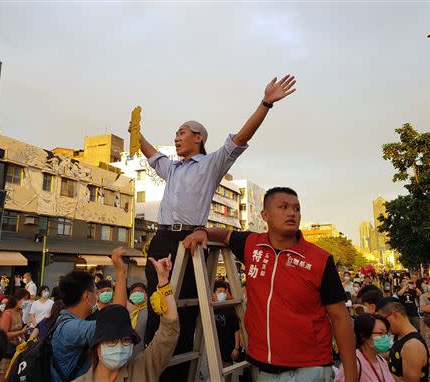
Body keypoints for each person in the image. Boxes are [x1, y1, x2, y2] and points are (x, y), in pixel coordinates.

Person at [141, 75, 297, 381]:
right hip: (160, 238)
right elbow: (150, 154)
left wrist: (266, 103)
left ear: (198, 137)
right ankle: (150, 366)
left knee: (181, 310)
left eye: (182, 132)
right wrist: (136, 134)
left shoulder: (212, 163)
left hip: (188, 240)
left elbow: (241, 138)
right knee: (154, 303)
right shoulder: (171, 167)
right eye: (175, 133)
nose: (176, 137)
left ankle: (176, 373)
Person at [183, 187, 357, 381]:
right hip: (264, 370)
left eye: (297, 209)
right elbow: (225, 235)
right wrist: (202, 231)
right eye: (284, 207)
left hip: (310, 370)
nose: (292, 213)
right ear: (265, 215)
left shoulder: (320, 259)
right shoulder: (252, 244)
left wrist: (351, 375)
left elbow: (341, 318)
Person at [73, 255, 180, 382]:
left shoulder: (143, 368)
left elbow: (169, 331)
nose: (119, 347)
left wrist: (163, 281)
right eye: (111, 341)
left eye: (125, 340)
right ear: (97, 345)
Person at [50, 247, 128, 382]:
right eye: (95, 292)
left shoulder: (70, 321)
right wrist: (121, 273)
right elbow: (117, 321)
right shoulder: (70, 328)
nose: (97, 296)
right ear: (87, 296)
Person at [377, 298, 430, 382]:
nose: (383, 325)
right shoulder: (401, 337)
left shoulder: (412, 345)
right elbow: (394, 354)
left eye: (383, 320)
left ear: (394, 315)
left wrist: (382, 372)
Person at [335, 313, 395, 382]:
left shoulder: (382, 361)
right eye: (380, 333)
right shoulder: (353, 363)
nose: (385, 337)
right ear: (364, 336)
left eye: (386, 333)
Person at [0, 288, 31, 382]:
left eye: (28, 299)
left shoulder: (20, 312)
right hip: (5, 351)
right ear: (17, 299)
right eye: (25, 299)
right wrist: (21, 332)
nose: (26, 302)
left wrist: (23, 336)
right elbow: (3, 335)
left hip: (16, 350)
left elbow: (19, 329)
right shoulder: (8, 313)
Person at [212, 280, 240, 382]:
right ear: (213, 294)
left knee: (227, 375)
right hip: (214, 349)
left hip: (228, 350)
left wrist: (236, 348)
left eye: (224, 292)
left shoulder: (230, 308)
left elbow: (236, 329)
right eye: (220, 291)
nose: (222, 294)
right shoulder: (210, 308)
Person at [128, 282, 148, 357]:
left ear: (146, 294)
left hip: (143, 353)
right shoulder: (128, 311)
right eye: (134, 291)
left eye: (140, 291)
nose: (137, 293)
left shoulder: (149, 312)